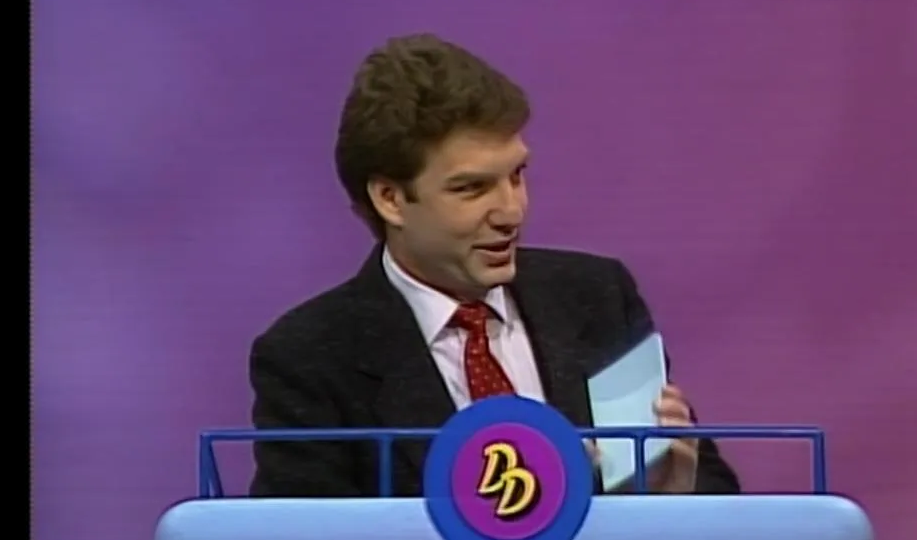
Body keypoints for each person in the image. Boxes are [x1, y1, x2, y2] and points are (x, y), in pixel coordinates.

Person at [249, 33, 740, 497]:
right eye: (472, 188)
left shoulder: (597, 297)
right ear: (390, 199)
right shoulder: (309, 358)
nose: (511, 211)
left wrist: (674, 497)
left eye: (517, 176)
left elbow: (716, 497)